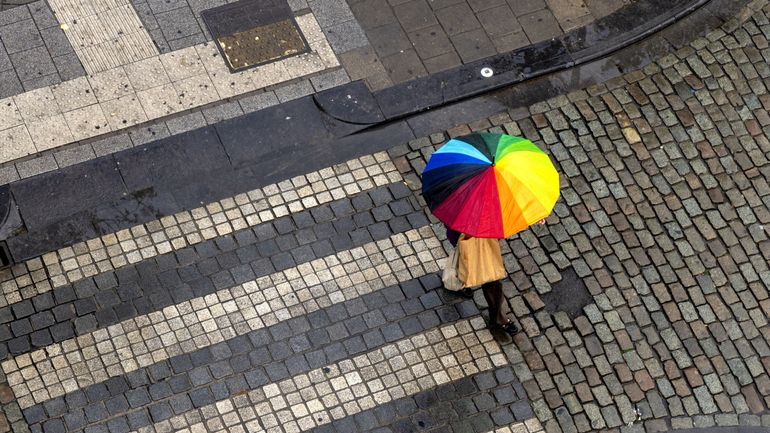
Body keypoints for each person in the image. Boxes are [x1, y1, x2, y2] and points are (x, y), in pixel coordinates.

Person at [445, 219, 546, 336]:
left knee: (490, 278)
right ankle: (455, 281)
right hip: (464, 234)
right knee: (464, 262)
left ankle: (498, 318)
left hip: (486, 236)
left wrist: (531, 217)